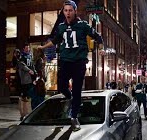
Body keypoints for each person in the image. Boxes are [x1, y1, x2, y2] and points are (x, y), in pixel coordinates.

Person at [38, 0, 105, 131]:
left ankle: (74, 117)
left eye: (70, 10)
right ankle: (70, 98)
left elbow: (98, 37)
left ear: (75, 11)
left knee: (77, 89)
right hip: (65, 61)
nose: (68, 13)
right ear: (63, 12)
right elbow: (56, 40)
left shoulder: (83, 25)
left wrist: (101, 48)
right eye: (66, 10)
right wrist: (43, 47)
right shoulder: (61, 26)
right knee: (62, 86)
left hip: (79, 62)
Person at [18, 44, 36, 120]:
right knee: (24, 96)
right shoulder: (21, 57)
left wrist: (34, 72)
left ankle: (29, 112)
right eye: (26, 48)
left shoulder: (30, 56)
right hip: (25, 79)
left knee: (30, 94)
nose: (27, 49)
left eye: (28, 48)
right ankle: (24, 113)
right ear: (23, 49)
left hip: (31, 79)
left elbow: (32, 65)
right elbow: (22, 65)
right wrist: (29, 70)